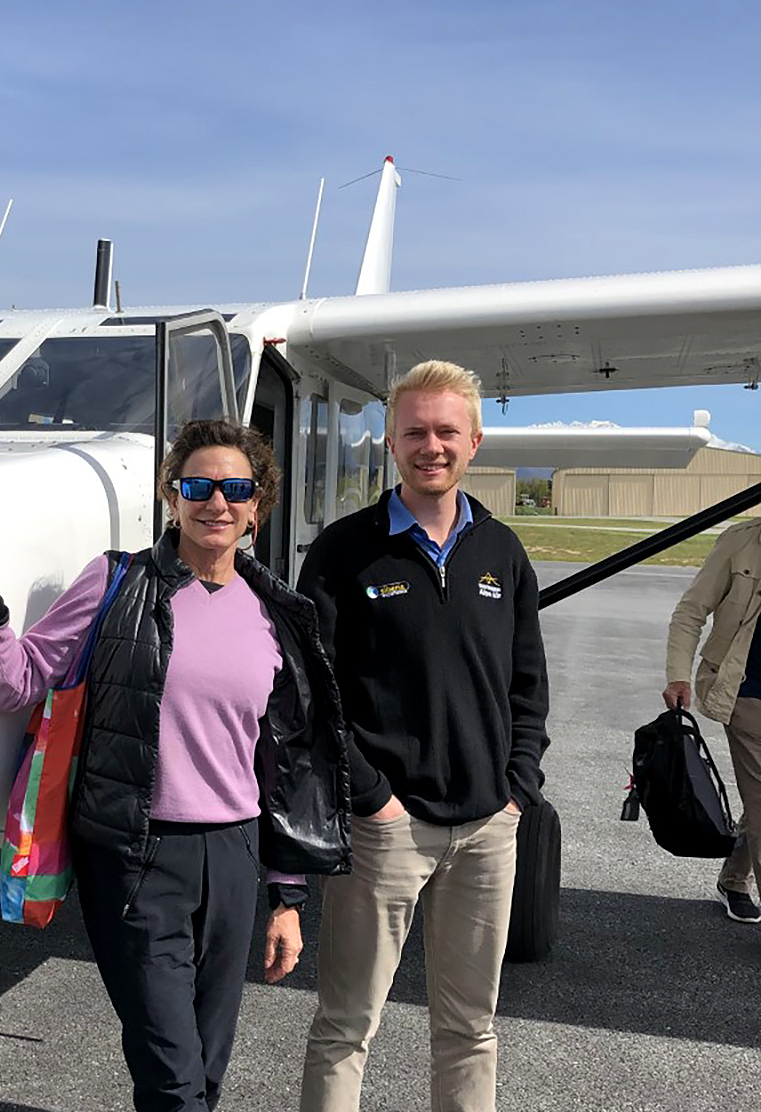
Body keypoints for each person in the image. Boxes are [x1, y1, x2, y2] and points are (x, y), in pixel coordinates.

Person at [0, 418, 353, 1112]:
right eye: (198, 485)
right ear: (173, 495)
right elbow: (20, 682)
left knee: (206, 1068)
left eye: (236, 488)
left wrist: (286, 895)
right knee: (171, 1075)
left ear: (259, 506)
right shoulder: (118, 582)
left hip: (233, 855)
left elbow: (285, 762)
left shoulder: (275, 613)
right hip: (137, 857)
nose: (216, 503)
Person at [296, 360, 550, 1112]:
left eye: (446, 431)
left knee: (472, 1026)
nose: (430, 445)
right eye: (415, 432)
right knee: (345, 1025)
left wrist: (516, 788)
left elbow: (528, 684)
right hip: (385, 831)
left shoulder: (502, 550)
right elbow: (314, 693)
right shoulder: (345, 551)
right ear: (392, 443)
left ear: (474, 441)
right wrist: (372, 798)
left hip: (486, 827)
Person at [663, 515, 761, 923]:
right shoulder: (740, 542)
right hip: (745, 694)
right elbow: (691, 612)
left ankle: (735, 878)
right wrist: (678, 675)